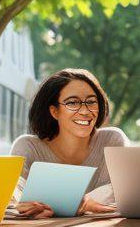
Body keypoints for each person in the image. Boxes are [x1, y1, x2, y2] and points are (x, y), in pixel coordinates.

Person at [11, 68, 126, 218]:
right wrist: (24, 207)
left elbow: (122, 193)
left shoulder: (112, 141)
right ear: (54, 111)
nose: (85, 111)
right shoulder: (28, 147)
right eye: (72, 102)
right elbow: (14, 198)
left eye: (91, 102)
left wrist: (71, 204)